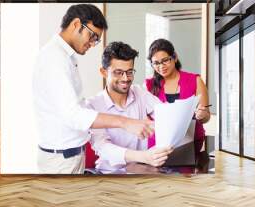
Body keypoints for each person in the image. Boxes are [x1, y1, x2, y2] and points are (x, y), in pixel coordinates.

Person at [33, 4, 153, 174]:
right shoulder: (55, 59)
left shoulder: (66, 57)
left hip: (71, 156)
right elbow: (73, 114)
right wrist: (125, 122)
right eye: (93, 36)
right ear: (76, 24)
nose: (93, 43)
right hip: (61, 161)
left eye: (97, 39)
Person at [86, 41, 173, 172]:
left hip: (142, 170)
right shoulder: (93, 105)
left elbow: (165, 114)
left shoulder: (139, 92)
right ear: (104, 72)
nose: (126, 78)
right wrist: (144, 156)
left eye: (130, 72)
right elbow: (103, 147)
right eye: (118, 72)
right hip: (110, 174)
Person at [145, 38, 210, 153]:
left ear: (174, 57)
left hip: (189, 144)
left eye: (165, 60)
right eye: (156, 63)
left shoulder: (195, 80)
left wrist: (202, 114)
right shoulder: (148, 85)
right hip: (158, 146)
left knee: (186, 171)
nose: (161, 66)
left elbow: (206, 116)